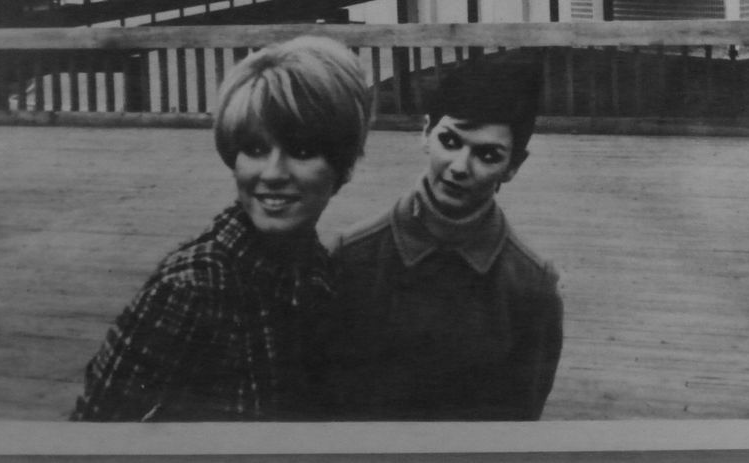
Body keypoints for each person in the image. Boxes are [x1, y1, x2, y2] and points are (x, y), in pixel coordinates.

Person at [71, 35, 372, 421]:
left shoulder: (318, 273)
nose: (273, 174)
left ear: (342, 167)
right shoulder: (191, 289)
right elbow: (93, 433)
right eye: (256, 149)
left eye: (300, 152)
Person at [323, 56, 563, 420]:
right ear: (425, 133)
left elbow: (520, 420)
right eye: (450, 140)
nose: (460, 166)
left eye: (487, 154)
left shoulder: (531, 287)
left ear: (514, 166)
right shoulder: (350, 258)